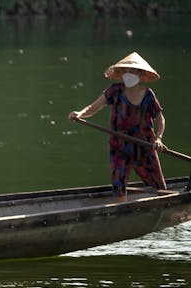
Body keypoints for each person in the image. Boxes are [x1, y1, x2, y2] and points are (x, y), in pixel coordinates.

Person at [67, 52, 167, 198]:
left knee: (161, 190)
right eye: (126, 71)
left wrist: (158, 138)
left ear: (140, 74)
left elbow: (160, 119)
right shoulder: (115, 90)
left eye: (132, 71)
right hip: (119, 147)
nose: (128, 74)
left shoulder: (148, 95)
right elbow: (94, 107)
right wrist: (80, 113)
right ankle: (120, 209)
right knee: (119, 189)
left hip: (145, 147)